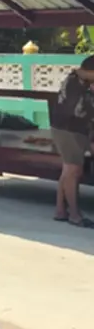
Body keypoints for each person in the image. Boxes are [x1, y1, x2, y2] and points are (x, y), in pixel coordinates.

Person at [51, 56, 94, 226]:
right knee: (73, 171)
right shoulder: (75, 85)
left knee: (67, 170)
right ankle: (75, 215)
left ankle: (60, 210)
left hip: (71, 129)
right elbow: (80, 111)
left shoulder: (79, 80)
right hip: (68, 130)